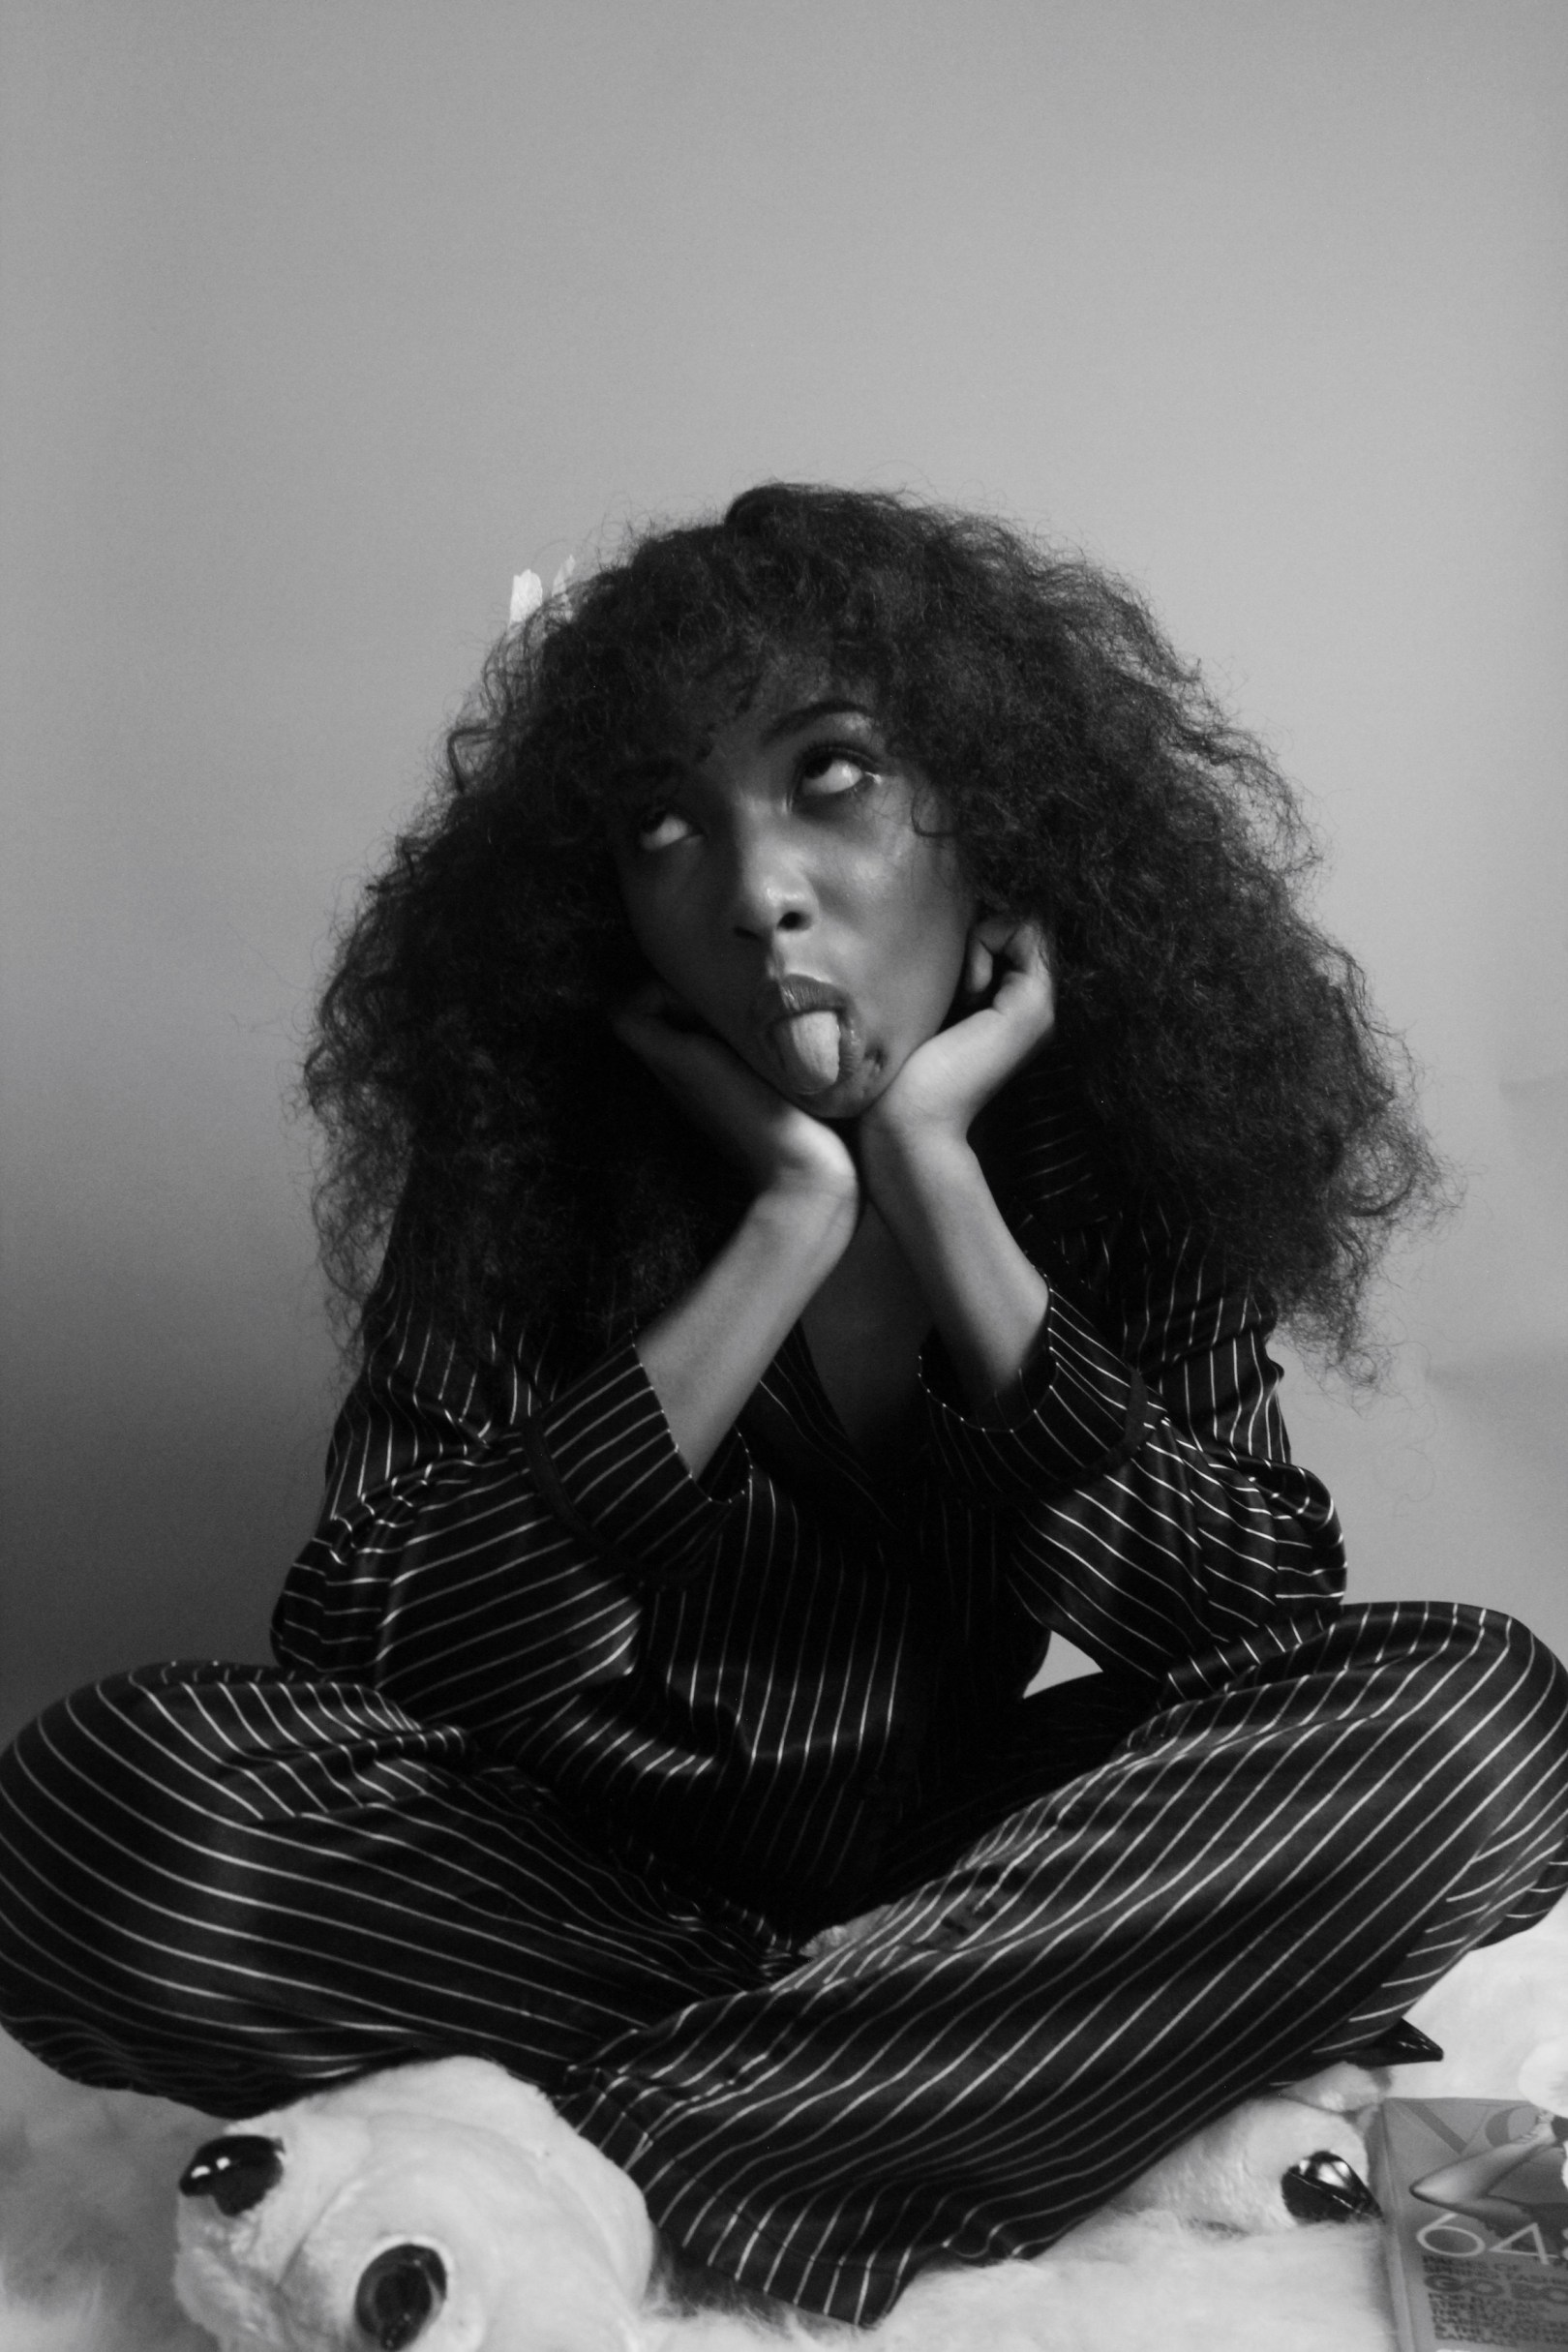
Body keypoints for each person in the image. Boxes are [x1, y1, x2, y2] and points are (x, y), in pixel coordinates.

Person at [2, 484, 1565, 2327]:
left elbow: (1248, 1625)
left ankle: (617, 2136)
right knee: (97, 1812)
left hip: (994, 1868)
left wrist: (943, 1193)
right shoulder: (527, 1166)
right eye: (665, 827)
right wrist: (782, 1232)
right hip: (571, 1888)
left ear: (996, 815)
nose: (753, 889)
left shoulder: (1115, 1154)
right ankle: (951, 2091)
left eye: (831, 776)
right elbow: (371, 1641)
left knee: (1483, 1727)